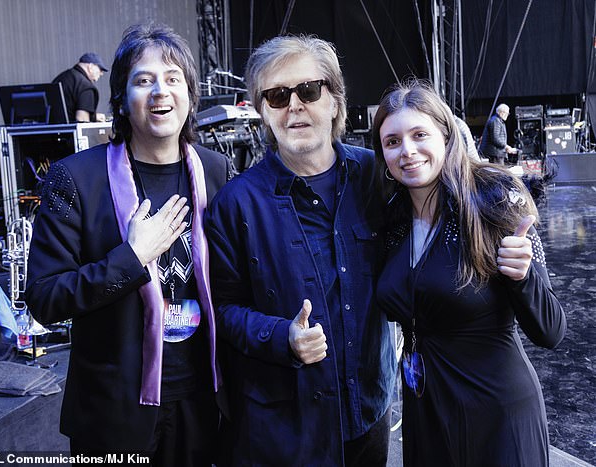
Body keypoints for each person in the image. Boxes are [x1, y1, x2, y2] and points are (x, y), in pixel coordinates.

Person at [27, 23, 231, 465]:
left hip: (202, 404)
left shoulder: (217, 171)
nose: (161, 91)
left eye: (173, 79)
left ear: (191, 96)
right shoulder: (76, 179)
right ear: (121, 98)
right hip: (113, 416)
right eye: (144, 80)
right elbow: (44, 298)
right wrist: (132, 257)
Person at [205, 35, 397, 466]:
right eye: (276, 96)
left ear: (334, 100)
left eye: (308, 91)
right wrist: (283, 337)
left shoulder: (376, 176)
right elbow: (223, 311)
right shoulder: (236, 204)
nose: (294, 105)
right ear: (263, 112)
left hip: (368, 415)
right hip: (286, 430)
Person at [371, 80, 566, 466]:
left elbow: (551, 331)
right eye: (392, 142)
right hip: (426, 410)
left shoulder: (496, 197)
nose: (407, 151)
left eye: (419, 134)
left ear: (446, 136)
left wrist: (522, 275)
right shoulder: (391, 217)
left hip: (497, 415)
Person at [52, 52, 108, 122]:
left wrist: (93, 117)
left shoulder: (60, 78)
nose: (101, 73)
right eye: (100, 69)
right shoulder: (86, 86)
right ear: (90, 66)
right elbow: (82, 120)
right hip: (71, 133)